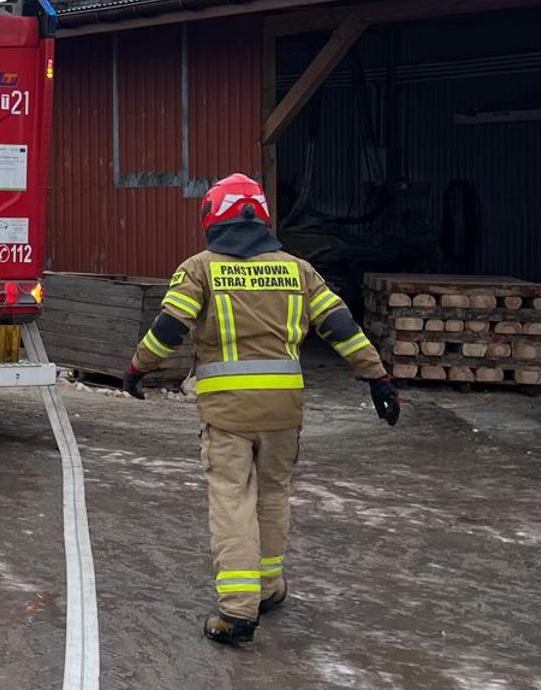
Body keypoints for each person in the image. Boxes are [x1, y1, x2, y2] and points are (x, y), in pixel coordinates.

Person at [122, 172, 401, 646]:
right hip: (283, 412)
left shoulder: (200, 269)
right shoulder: (299, 270)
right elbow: (342, 328)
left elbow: (170, 328)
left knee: (232, 500)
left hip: (228, 414)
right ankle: (269, 588)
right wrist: (378, 377)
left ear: (213, 217)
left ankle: (237, 610)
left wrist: (136, 368)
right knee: (273, 497)